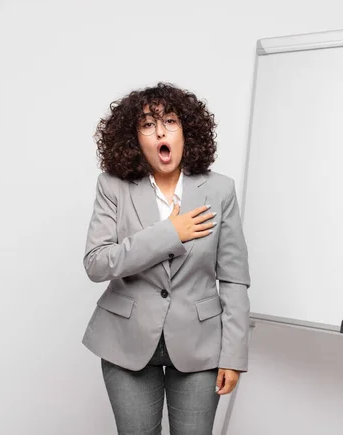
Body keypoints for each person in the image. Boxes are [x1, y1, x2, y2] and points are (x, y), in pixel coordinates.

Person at [81, 82, 251, 435]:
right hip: (126, 342)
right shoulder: (112, 186)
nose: (160, 131)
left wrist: (233, 355)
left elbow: (233, 277)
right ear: (134, 139)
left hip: (200, 343)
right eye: (147, 125)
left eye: (170, 121)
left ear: (186, 130)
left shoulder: (219, 189)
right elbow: (97, 262)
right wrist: (170, 233)